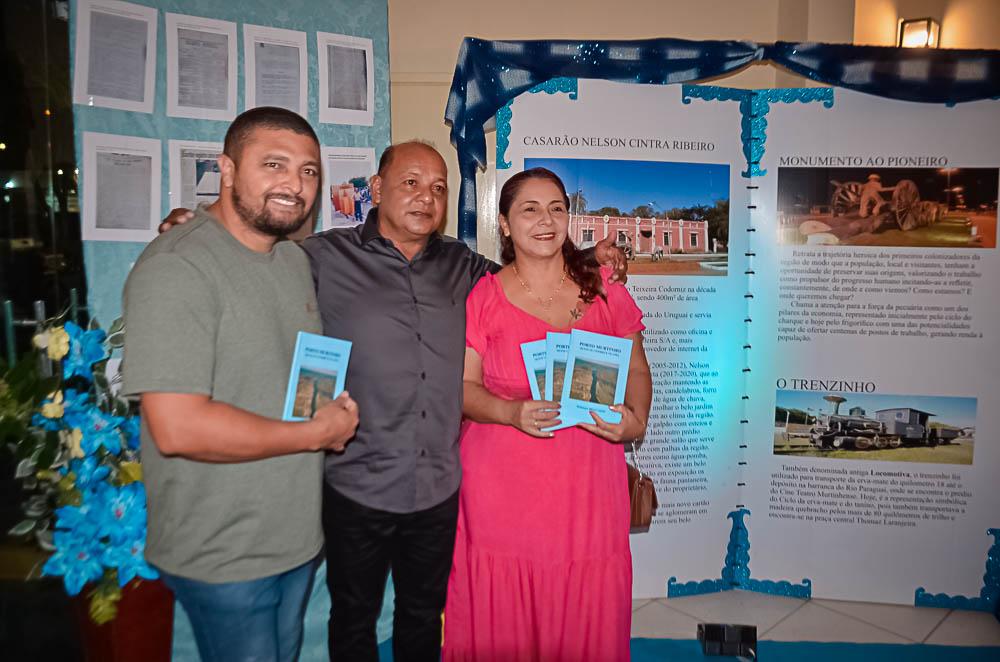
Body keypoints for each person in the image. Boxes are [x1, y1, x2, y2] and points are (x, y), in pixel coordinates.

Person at [159, 141, 626, 662]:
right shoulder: (322, 256)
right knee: (354, 619)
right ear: (377, 189)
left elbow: (533, 269)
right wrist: (201, 227)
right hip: (358, 481)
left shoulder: (464, 267)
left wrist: (591, 257)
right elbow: (252, 251)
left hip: (437, 486)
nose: (425, 197)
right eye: (410, 183)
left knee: (423, 617)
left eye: (438, 188)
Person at [122, 107, 359, 662]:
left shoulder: (291, 260)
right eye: (273, 165)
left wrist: (327, 414)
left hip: (294, 539)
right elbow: (177, 428)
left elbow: (293, 376)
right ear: (226, 170)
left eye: (308, 171)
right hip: (223, 552)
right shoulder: (177, 267)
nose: (294, 185)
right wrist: (315, 434)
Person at [442, 167, 652, 661]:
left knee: (586, 602)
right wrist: (511, 411)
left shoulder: (604, 288)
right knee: (504, 614)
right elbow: (463, 390)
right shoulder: (484, 297)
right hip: (501, 490)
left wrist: (635, 418)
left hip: (588, 487)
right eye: (529, 209)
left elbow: (638, 369)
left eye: (557, 208)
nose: (545, 219)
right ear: (505, 224)